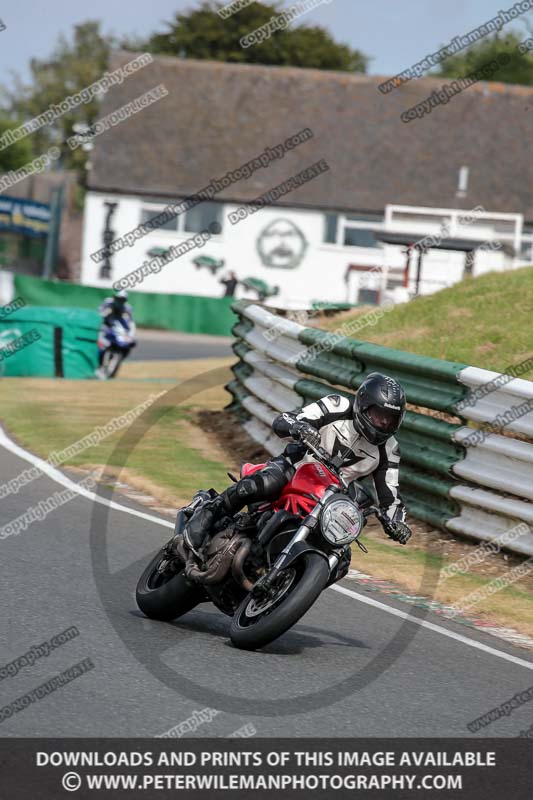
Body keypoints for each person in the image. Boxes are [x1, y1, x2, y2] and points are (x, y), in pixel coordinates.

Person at [184, 372, 412, 558]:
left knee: (342, 555)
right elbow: (287, 419)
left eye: (390, 418)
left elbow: (390, 495)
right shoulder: (338, 405)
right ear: (363, 405)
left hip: (331, 498)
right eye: (379, 414)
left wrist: (397, 522)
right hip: (295, 468)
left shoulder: (389, 448)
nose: (383, 422)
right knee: (260, 485)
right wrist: (300, 428)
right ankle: (208, 514)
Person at [97, 289, 135, 366]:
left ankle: (117, 360)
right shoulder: (107, 303)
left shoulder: (127, 308)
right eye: (118, 299)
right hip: (105, 326)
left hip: (117, 329)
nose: (120, 301)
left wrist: (131, 336)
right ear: (114, 298)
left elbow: (131, 323)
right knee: (101, 342)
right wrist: (106, 312)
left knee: (129, 343)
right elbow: (98, 315)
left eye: (122, 300)